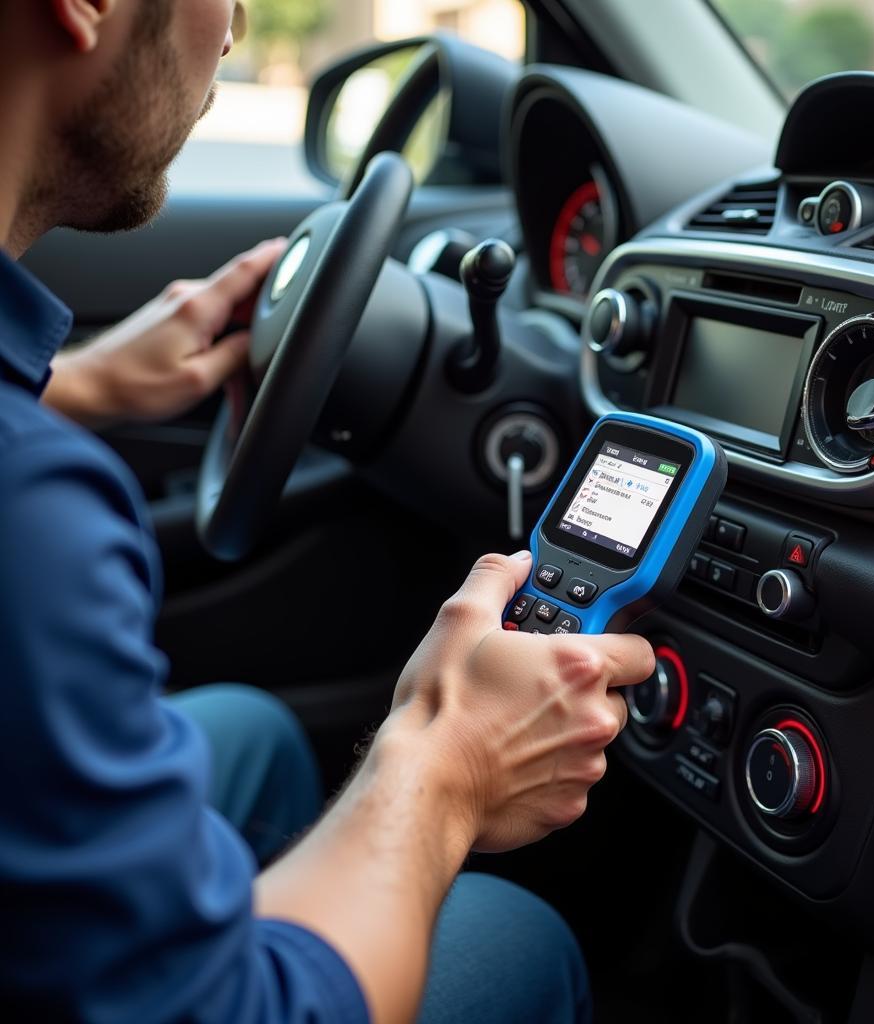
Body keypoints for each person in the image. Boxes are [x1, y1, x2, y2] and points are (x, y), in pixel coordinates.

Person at [0, 2, 656, 1023]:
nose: (239, 22)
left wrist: (73, 384)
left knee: (251, 735)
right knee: (511, 933)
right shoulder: (32, 513)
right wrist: (447, 765)